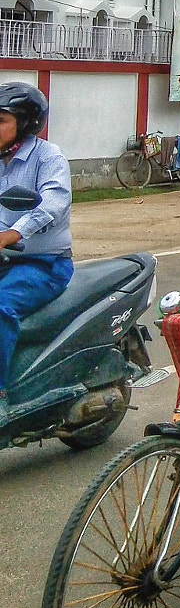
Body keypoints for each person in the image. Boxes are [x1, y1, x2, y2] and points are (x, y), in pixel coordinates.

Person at [0, 84, 73, 418]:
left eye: (1, 120)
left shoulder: (48, 156)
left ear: (25, 124)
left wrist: (12, 233)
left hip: (44, 264)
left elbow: (54, 202)